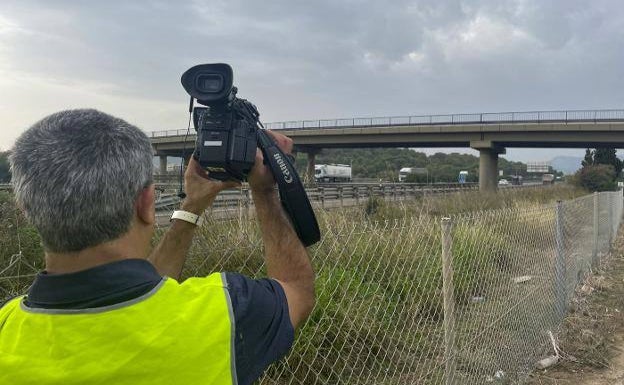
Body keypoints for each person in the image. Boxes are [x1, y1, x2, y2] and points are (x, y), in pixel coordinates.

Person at [0, 109, 315, 385]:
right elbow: (295, 289)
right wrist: (265, 192)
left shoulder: (7, 327)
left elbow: (145, 290)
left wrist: (192, 206)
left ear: (26, 210)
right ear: (148, 203)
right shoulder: (225, 315)